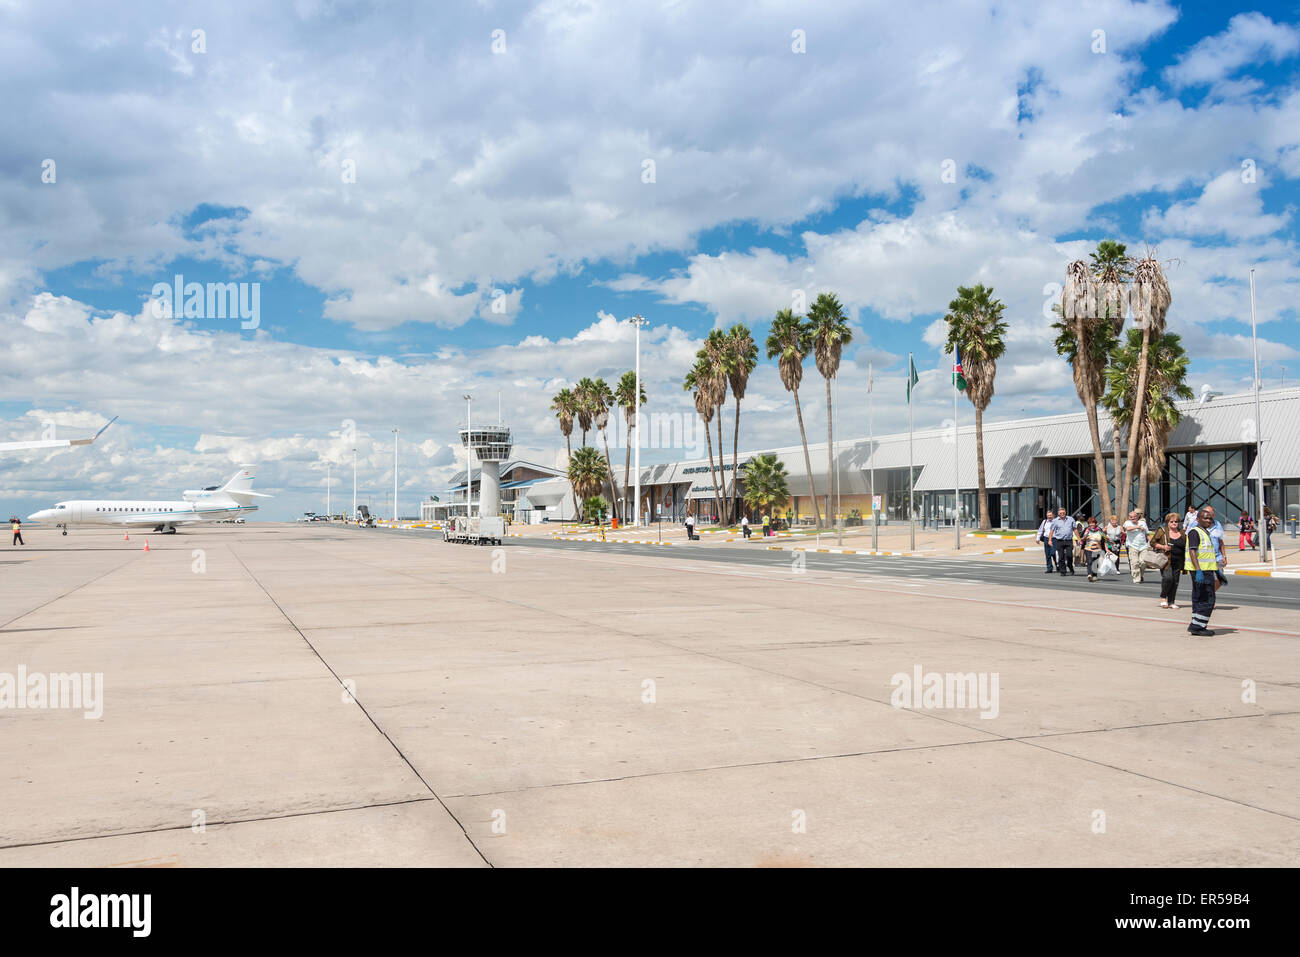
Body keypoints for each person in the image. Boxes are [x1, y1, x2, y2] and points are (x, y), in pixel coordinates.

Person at [1186, 507, 1218, 636]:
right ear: (1198, 519)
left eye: (1210, 518)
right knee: (1207, 598)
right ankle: (1197, 626)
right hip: (1201, 571)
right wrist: (1198, 570)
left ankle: (1197, 624)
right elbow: (1192, 551)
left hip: (1207, 570)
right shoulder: (1195, 532)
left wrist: (1216, 571)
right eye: (1205, 518)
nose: (1208, 520)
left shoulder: (1205, 532)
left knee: (1199, 598)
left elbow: (1207, 554)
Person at [1150, 512, 1185, 609]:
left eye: (1176, 521)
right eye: (1172, 521)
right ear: (1167, 522)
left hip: (1178, 560)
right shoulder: (1162, 531)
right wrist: (1163, 546)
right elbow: (1152, 543)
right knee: (1168, 578)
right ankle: (1163, 598)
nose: (1174, 523)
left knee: (1175, 581)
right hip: (1166, 560)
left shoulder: (1182, 533)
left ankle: (1171, 601)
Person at [1203, 505, 1227, 590]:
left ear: (1214, 515)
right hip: (1203, 558)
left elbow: (1220, 541)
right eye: (1206, 513)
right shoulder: (1196, 525)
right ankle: (1209, 598)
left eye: (1210, 513)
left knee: (1220, 579)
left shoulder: (1217, 524)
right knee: (1206, 580)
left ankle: (1210, 595)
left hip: (1217, 557)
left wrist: (1224, 556)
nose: (1208, 515)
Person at [1123, 509, 1150, 583]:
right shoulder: (1127, 523)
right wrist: (1138, 527)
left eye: (1134, 516)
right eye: (1131, 517)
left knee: (1143, 562)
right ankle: (1136, 579)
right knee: (1134, 563)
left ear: (1138, 516)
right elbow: (1128, 529)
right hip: (1132, 546)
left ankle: (1140, 575)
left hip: (1143, 546)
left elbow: (1147, 534)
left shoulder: (1143, 523)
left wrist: (1151, 542)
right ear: (1129, 518)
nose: (1133, 518)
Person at [1049, 508, 1075, 576]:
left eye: (1063, 512)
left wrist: (1079, 539)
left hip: (1069, 540)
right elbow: (1051, 530)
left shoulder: (1071, 519)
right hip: (1059, 541)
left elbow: (1075, 529)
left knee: (1069, 556)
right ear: (1058, 514)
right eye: (1060, 513)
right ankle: (1063, 571)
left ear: (1065, 512)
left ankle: (1070, 566)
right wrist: (1050, 540)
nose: (1062, 514)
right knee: (1061, 557)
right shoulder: (1055, 521)